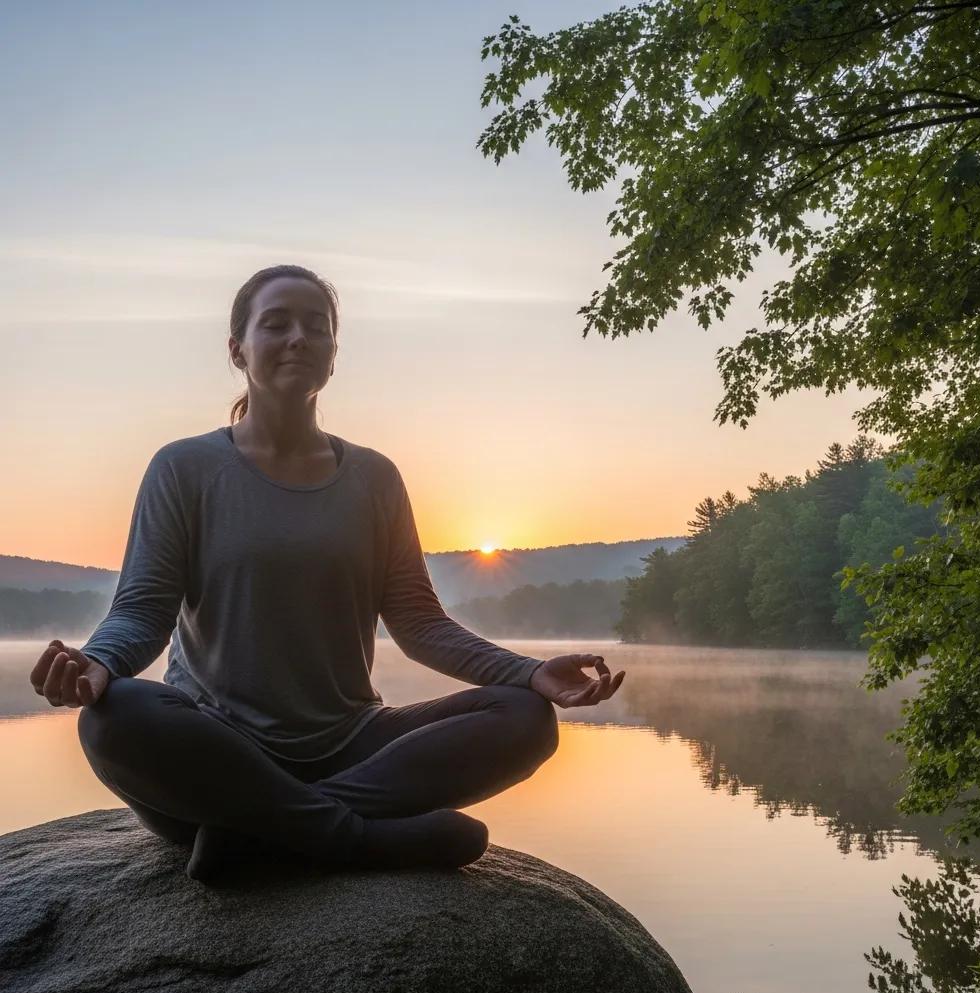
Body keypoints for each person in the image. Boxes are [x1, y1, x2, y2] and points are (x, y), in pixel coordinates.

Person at [28, 264, 626, 882]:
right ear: (237, 349)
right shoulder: (184, 468)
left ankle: (267, 838)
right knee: (115, 714)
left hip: (351, 750)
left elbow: (420, 623)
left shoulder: (374, 478)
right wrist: (98, 663)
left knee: (526, 718)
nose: (299, 338)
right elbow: (143, 609)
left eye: (317, 327)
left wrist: (528, 673)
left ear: (333, 356)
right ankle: (355, 837)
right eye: (276, 323)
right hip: (217, 763)